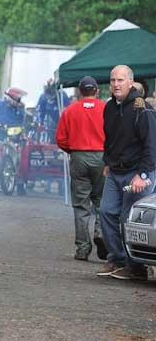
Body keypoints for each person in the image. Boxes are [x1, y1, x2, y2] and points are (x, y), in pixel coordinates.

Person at [96, 65, 156, 281]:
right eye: (112, 80)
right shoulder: (109, 107)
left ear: (130, 82)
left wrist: (144, 175)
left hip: (137, 173)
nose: (115, 84)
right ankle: (117, 259)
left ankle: (136, 267)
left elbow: (151, 144)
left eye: (120, 80)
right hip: (114, 170)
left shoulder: (142, 108)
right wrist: (107, 162)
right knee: (105, 211)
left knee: (127, 218)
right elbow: (110, 138)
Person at [55, 76, 108, 261]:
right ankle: (101, 233)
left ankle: (83, 248)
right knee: (102, 200)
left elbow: (60, 138)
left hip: (78, 156)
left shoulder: (70, 110)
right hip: (102, 156)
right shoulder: (106, 109)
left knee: (81, 205)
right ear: (97, 91)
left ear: (79, 91)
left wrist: (74, 151)